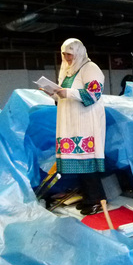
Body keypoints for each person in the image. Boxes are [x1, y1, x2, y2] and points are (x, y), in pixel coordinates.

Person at [52, 38, 107, 215]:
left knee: (87, 162)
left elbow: (94, 93)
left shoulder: (90, 68)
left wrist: (67, 92)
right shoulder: (68, 72)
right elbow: (64, 95)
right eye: (65, 55)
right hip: (71, 123)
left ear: (79, 53)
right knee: (78, 163)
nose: (67, 58)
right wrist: (54, 92)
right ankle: (88, 197)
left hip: (86, 122)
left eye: (70, 54)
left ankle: (97, 199)